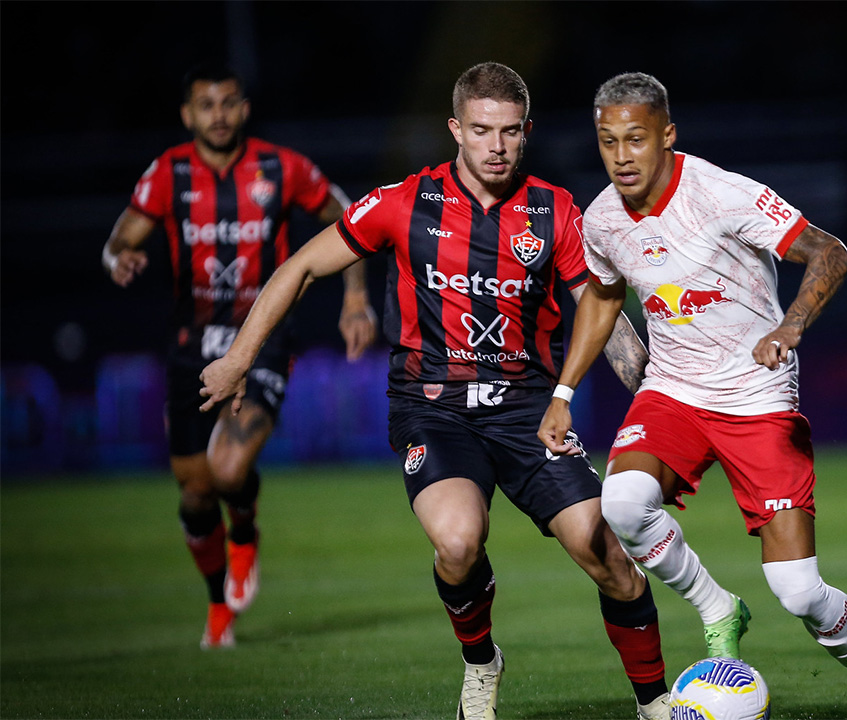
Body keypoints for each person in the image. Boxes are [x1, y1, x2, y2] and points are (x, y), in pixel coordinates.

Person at [198, 62, 671, 720]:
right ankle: (482, 663)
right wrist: (238, 360)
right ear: (456, 129)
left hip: (529, 411)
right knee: (456, 542)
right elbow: (302, 266)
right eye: (481, 131)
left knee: (605, 554)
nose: (496, 146)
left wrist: (657, 392)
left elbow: (601, 316)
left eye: (509, 133)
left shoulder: (554, 210)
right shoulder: (404, 203)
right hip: (434, 410)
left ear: (526, 132)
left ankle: (657, 705)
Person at [539, 72, 847, 720]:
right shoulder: (601, 219)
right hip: (673, 390)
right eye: (607, 141)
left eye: (635, 139)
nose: (621, 155)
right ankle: (718, 608)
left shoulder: (721, 194)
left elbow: (831, 250)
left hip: (755, 393)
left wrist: (790, 324)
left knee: (797, 591)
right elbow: (601, 299)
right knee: (623, 504)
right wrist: (565, 391)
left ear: (667, 135)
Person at [101, 62, 378, 649]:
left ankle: (245, 529)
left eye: (229, 103)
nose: (219, 115)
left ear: (244, 109)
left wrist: (355, 298)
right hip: (190, 347)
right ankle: (216, 605)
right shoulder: (169, 173)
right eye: (207, 105)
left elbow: (350, 218)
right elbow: (118, 239)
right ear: (188, 114)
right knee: (196, 490)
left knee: (228, 470)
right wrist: (117, 259)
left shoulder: (282, 168)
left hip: (265, 337)